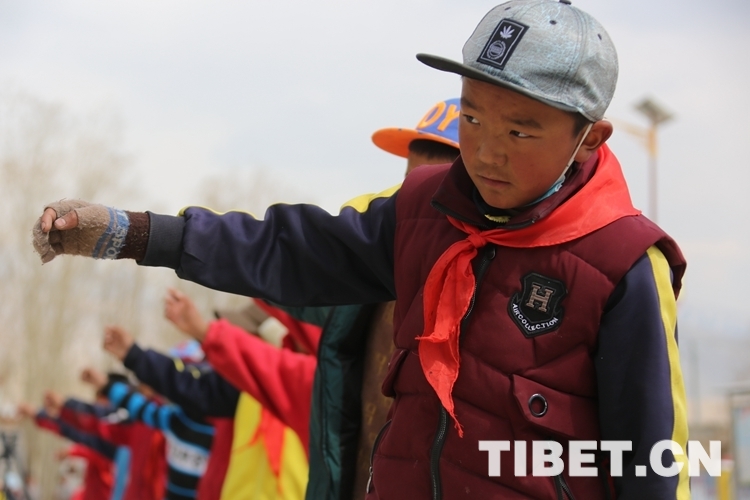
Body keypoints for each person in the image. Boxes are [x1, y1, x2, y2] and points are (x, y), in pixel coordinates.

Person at [33, 1, 688, 497]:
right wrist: (129, 232)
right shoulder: (423, 214)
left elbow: (651, 463)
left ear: (590, 137)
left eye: (519, 131)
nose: (486, 152)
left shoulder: (623, 265)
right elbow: (287, 248)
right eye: (472, 118)